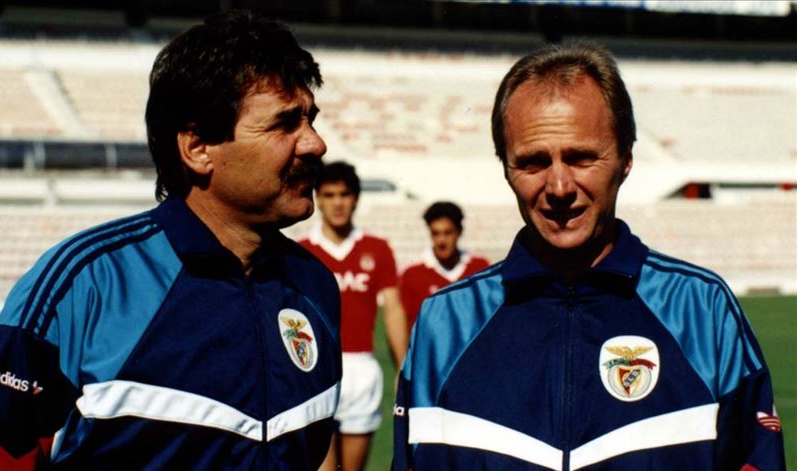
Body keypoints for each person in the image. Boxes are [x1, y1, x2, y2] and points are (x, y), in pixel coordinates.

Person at [0, 10, 342, 470]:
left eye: (310, 119)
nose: (315, 144)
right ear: (198, 149)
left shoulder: (315, 287)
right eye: (285, 124)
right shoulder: (85, 285)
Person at [393, 42, 785, 470]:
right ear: (505, 168)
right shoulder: (445, 325)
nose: (559, 187)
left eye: (581, 158)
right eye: (533, 162)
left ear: (626, 158)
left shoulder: (702, 310)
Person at [299, 161, 408, 471]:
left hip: (362, 370)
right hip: (316, 370)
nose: (337, 203)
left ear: (356, 198)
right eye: (330, 194)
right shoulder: (303, 250)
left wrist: (402, 365)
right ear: (318, 198)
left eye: (345, 194)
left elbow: (394, 309)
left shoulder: (377, 248)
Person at [398, 201, 489, 332]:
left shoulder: (479, 267)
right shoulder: (412, 273)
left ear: (459, 232)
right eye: (435, 233)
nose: (441, 241)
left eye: (448, 233)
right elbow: (403, 325)